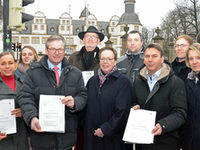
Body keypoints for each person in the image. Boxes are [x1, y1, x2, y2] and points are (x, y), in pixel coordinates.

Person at [18, 35, 87, 150]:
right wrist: (32, 117)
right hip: (41, 138)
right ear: (46, 51)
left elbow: (83, 96)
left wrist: (75, 102)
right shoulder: (32, 73)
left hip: (66, 139)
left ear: (64, 51)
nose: (57, 53)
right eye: (53, 49)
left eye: (60, 49)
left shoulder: (76, 73)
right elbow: (25, 97)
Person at [132, 43, 187, 150]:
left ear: (162, 59)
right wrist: (135, 106)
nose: (150, 59)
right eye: (147, 56)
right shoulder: (138, 81)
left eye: (154, 56)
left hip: (166, 141)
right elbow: (133, 101)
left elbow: (180, 113)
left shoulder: (175, 83)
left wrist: (163, 125)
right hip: (142, 141)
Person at [84, 47, 132, 150]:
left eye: (109, 59)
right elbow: (86, 108)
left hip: (113, 139)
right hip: (92, 137)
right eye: (103, 59)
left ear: (115, 62)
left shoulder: (123, 82)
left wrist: (105, 129)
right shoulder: (92, 81)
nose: (105, 62)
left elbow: (122, 112)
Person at [69, 26, 104, 150]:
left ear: (98, 41)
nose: (90, 39)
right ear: (83, 40)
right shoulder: (73, 57)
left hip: (96, 103)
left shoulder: (103, 57)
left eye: (94, 37)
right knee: (79, 140)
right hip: (77, 102)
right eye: (87, 36)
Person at [0, 52, 28, 150]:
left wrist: (24, 111)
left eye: (10, 63)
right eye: (3, 64)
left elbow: (31, 106)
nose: (7, 66)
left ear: (15, 64)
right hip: (3, 139)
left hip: (21, 137)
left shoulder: (24, 83)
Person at [183, 43, 200, 150]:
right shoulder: (189, 81)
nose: (194, 62)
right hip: (190, 140)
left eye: (198, 57)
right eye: (191, 58)